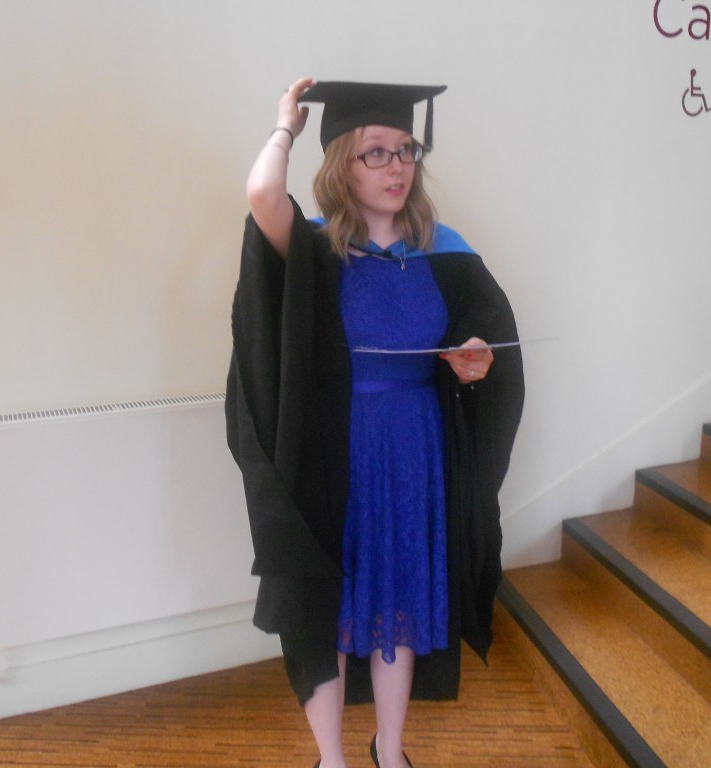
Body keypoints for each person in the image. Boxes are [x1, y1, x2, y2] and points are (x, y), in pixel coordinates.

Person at [225, 78, 525, 768]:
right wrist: (284, 128)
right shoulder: (312, 249)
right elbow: (264, 196)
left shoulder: (443, 250)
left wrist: (476, 360)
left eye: (406, 151)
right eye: (376, 154)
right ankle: (331, 758)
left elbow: (484, 336)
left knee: (401, 599)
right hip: (336, 451)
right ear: (338, 165)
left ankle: (390, 751)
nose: (398, 167)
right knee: (328, 599)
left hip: (417, 448)